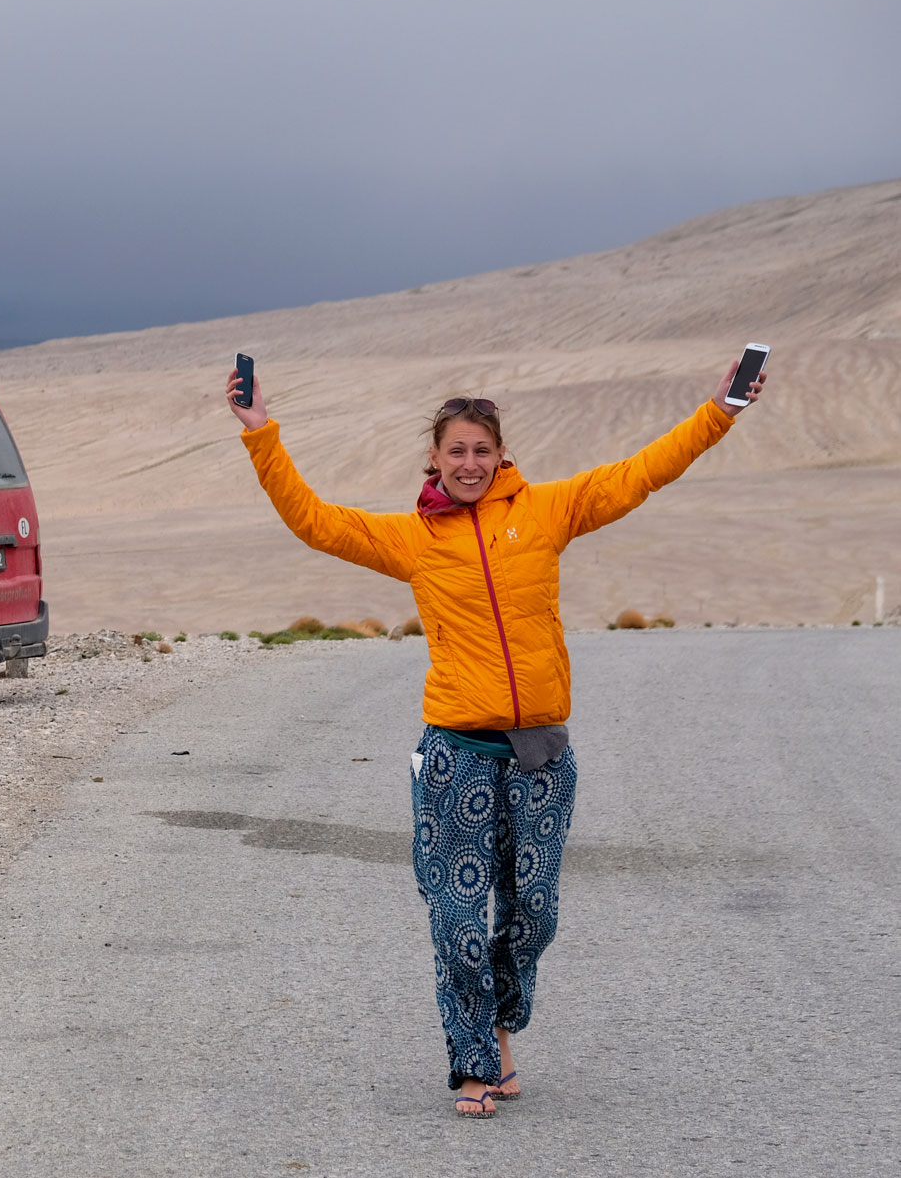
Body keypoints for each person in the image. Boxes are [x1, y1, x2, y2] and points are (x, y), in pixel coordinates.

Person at [225, 359, 766, 1118]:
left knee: (533, 910)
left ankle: (501, 1023)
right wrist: (262, 435)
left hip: (541, 753)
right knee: (457, 913)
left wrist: (719, 410)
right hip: (455, 752)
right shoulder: (412, 539)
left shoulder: (545, 512)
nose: (470, 463)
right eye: (456, 451)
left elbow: (641, 472)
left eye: (482, 450)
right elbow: (313, 519)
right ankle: (474, 1060)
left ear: (500, 455)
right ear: (435, 459)